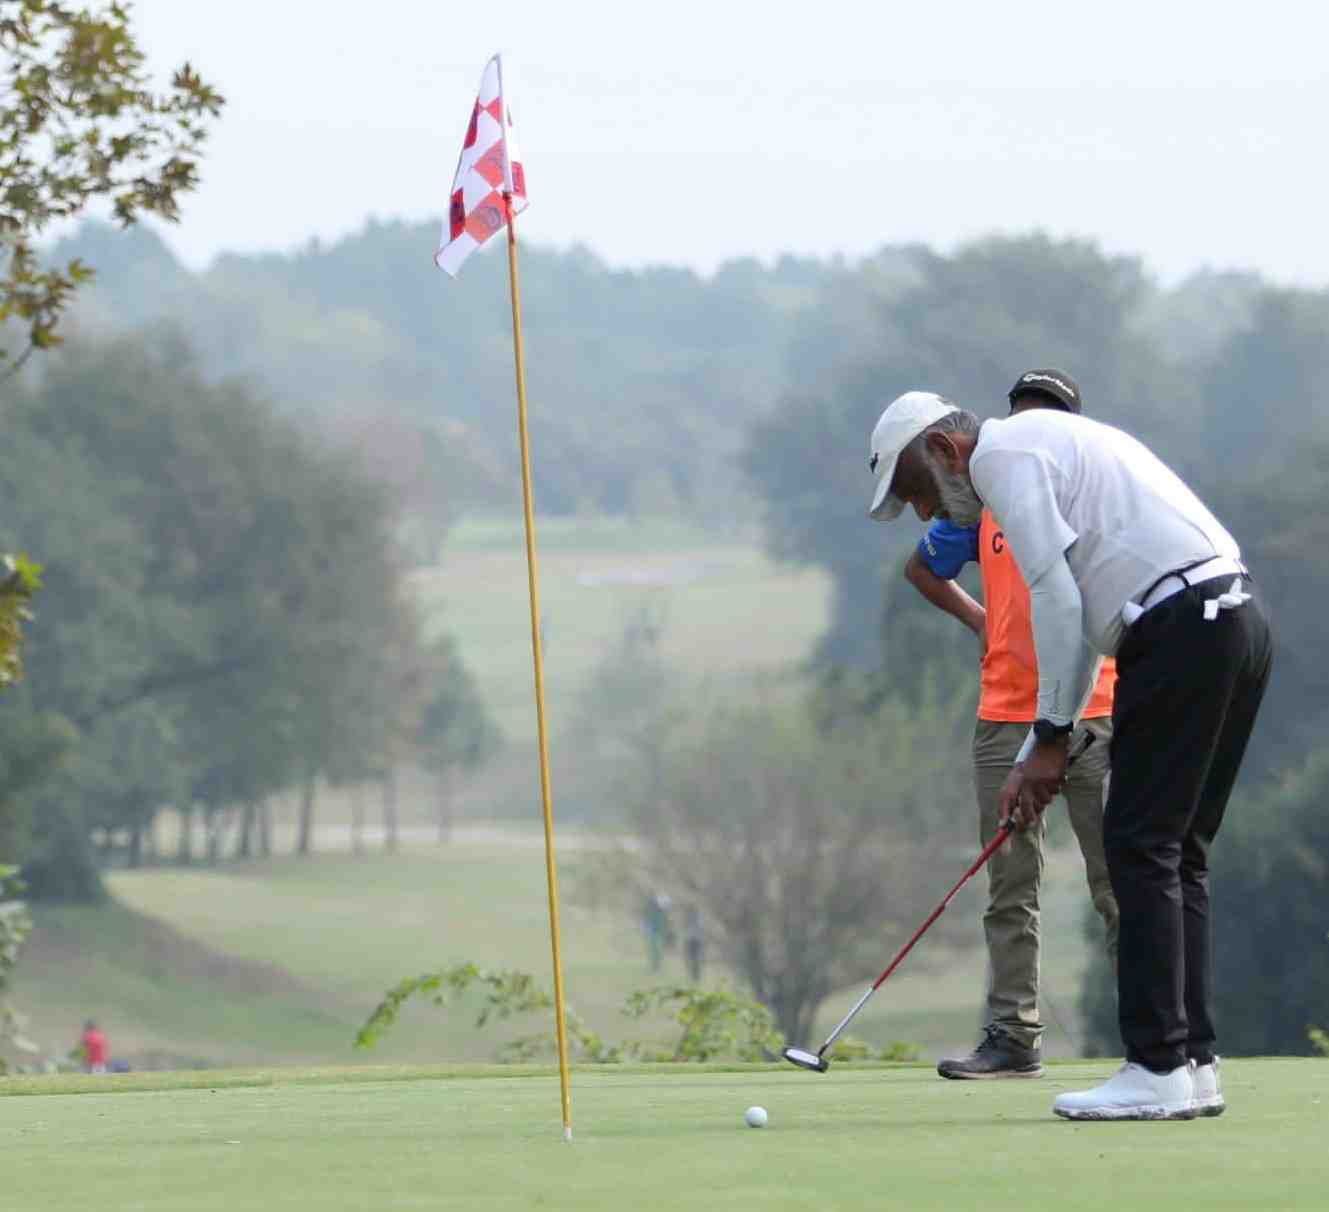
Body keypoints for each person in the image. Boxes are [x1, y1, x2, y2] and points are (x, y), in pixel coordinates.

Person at [866, 388, 1271, 1121]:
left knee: (1139, 846)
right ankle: (1190, 1062)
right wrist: (1039, 743)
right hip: (1230, 619)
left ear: (941, 451)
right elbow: (1081, 624)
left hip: (1179, 627)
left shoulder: (1004, 456)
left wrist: (1050, 738)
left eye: (914, 492)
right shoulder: (1039, 447)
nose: (924, 514)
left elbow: (1055, 602)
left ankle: (1154, 1068)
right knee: (1177, 852)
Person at [903, 370, 1118, 1080]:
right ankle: (1011, 1037)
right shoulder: (984, 498)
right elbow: (923, 570)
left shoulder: (1083, 490)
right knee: (1008, 888)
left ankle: (1155, 1042)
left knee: (1119, 883)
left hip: (1096, 710)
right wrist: (982, 625)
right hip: (1004, 715)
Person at [683, 906, 705, 984]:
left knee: (696, 960)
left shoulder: (699, 919)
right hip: (691, 941)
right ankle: (693, 977)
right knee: (692, 959)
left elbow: (701, 931)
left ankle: (696, 978)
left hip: (696, 941)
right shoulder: (691, 919)